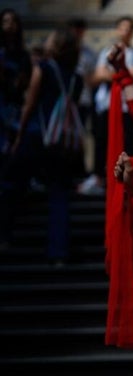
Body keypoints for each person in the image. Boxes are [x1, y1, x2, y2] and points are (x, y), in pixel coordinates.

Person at [13, 25, 83, 266]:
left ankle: (7, 239)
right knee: (59, 195)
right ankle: (59, 252)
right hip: (62, 142)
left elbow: (30, 104)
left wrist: (18, 135)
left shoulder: (42, 68)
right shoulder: (76, 77)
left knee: (12, 180)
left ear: (55, 45)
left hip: (37, 135)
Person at [79, 15, 133, 196]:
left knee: (127, 142)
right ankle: (99, 177)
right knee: (101, 139)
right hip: (106, 104)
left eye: (128, 28)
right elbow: (100, 73)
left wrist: (114, 73)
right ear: (117, 30)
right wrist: (123, 74)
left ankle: (127, 178)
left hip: (127, 105)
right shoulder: (105, 52)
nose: (125, 31)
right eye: (122, 27)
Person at [0, 8, 33, 249]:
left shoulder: (21, 55)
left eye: (13, 21)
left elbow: (24, 85)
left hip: (12, 113)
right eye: (5, 21)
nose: (9, 25)